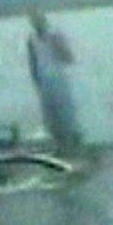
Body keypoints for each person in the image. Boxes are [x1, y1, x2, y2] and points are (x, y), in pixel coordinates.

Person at [27, 11, 82, 152]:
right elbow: (33, 63)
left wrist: (57, 45)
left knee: (66, 113)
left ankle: (74, 142)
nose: (37, 24)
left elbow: (69, 58)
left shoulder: (55, 36)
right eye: (34, 21)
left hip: (59, 80)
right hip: (45, 82)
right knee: (50, 116)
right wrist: (36, 83)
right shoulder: (31, 39)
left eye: (39, 20)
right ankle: (58, 145)